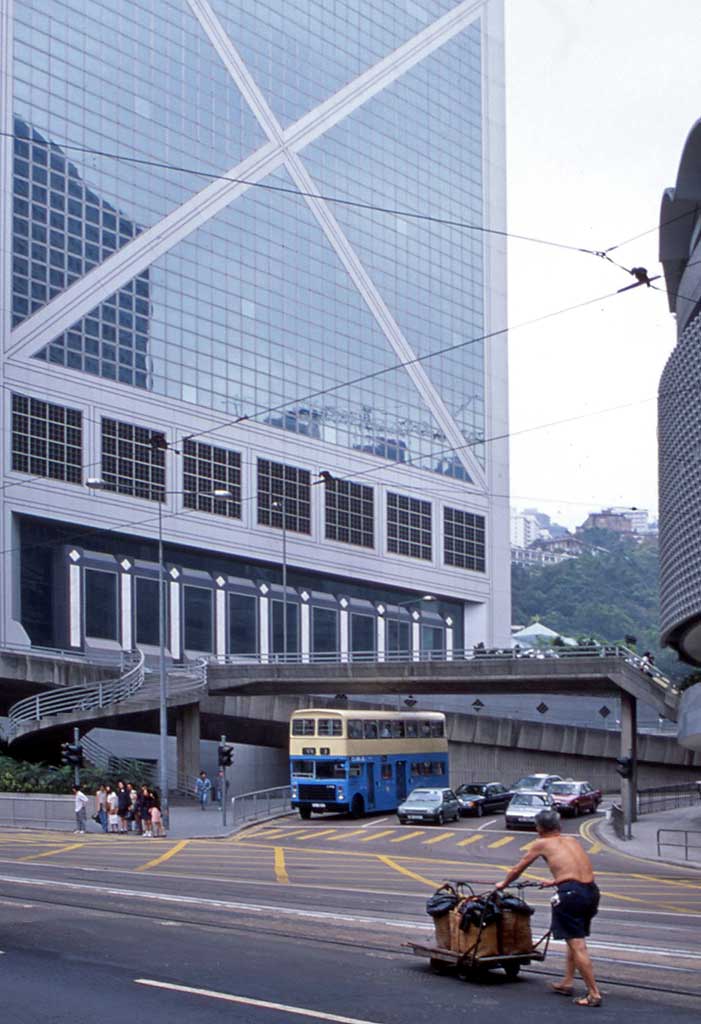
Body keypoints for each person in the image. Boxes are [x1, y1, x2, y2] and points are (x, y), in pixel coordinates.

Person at [495, 808, 602, 1007]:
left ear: (539, 828)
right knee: (575, 938)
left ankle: (594, 993)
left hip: (571, 895)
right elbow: (576, 870)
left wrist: (503, 884)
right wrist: (554, 882)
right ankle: (567, 982)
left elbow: (518, 868)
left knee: (577, 945)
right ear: (559, 826)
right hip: (591, 892)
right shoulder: (572, 840)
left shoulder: (541, 843)